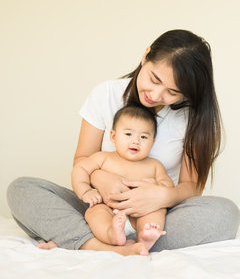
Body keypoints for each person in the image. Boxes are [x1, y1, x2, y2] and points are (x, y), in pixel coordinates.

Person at [7, 29, 240, 257]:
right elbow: (82, 160)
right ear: (146, 55)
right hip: (99, 206)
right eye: (154, 79)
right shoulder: (106, 94)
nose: (156, 95)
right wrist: (102, 180)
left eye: (172, 92)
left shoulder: (190, 116)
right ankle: (111, 243)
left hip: (155, 214)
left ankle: (87, 240)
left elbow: (191, 187)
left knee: (225, 213)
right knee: (22, 189)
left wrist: (160, 197)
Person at [72, 104, 174, 254]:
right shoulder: (104, 158)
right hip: (108, 209)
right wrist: (85, 190)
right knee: (94, 212)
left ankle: (146, 235)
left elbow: (168, 186)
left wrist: (157, 184)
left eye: (144, 137)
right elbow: (80, 168)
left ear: (152, 142)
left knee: (158, 210)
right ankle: (111, 233)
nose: (136, 141)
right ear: (113, 136)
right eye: (128, 134)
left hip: (141, 213)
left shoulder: (154, 165)